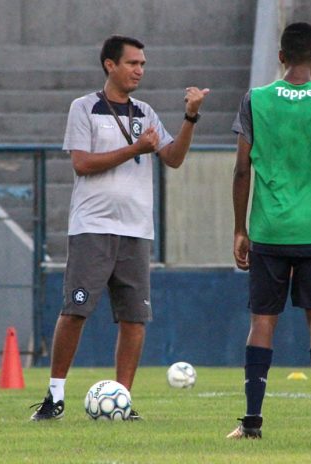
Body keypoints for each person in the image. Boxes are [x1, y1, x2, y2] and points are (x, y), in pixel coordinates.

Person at [30, 34, 209, 421]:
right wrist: (133, 150)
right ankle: (55, 396)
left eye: (143, 64)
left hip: (136, 230)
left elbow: (173, 158)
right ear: (110, 65)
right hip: (92, 226)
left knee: (134, 318)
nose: (139, 70)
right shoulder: (84, 107)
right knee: (75, 310)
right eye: (132, 63)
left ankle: (122, 401)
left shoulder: (145, 112)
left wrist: (190, 118)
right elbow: (81, 163)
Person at [229, 23, 311, 439]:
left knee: (262, 321)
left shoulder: (256, 99)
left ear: (281, 56)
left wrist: (240, 229)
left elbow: (241, 167)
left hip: (269, 228)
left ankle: (251, 423)